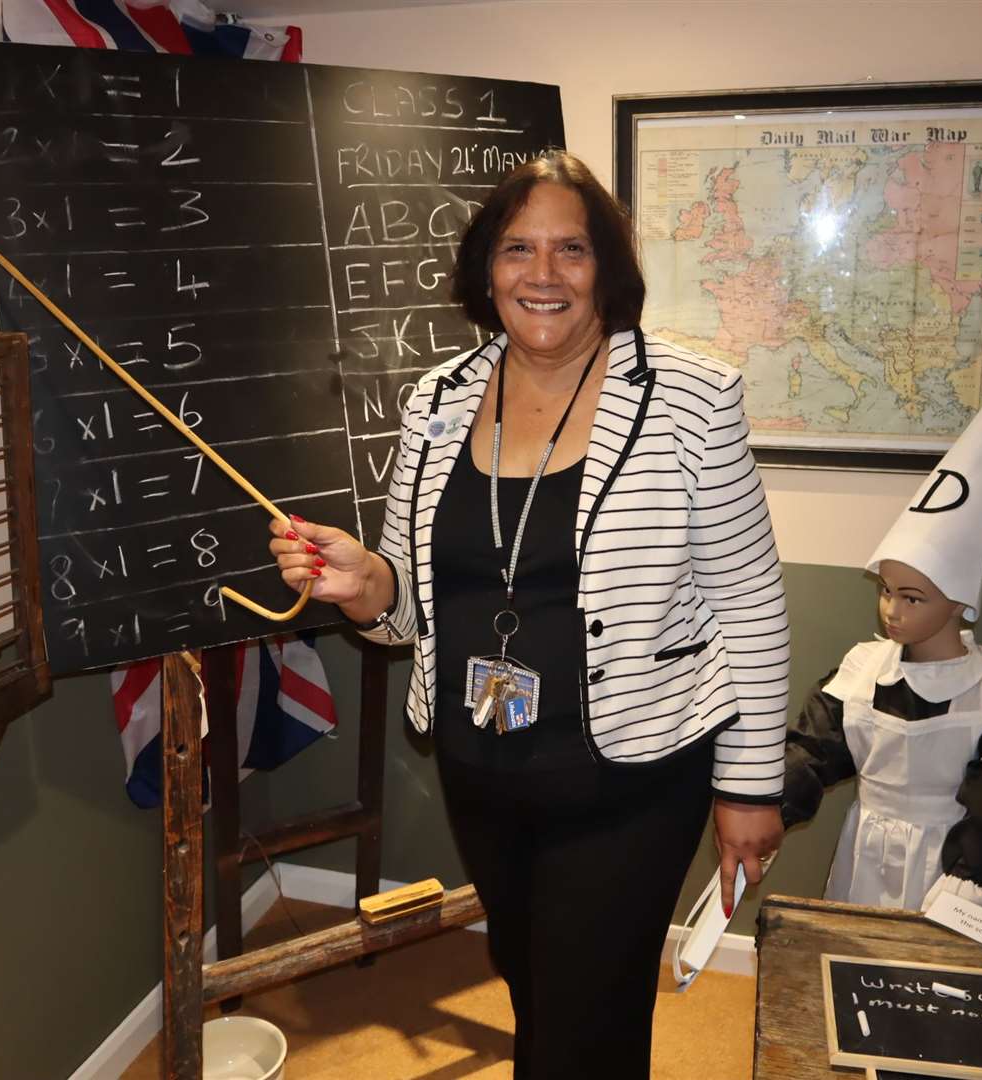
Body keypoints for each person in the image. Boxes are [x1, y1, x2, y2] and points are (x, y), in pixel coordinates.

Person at [268, 150, 790, 1078]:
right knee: (531, 983)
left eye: (571, 250)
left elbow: (751, 602)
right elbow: (406, 611)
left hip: (630, 773)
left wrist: (750, 786)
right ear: (486, 268)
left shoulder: (693, 400)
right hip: (486, 764)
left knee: (587, 1013)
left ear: (609, 269)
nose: (542, 275)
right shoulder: (435, 402)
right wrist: (363, 587)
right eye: (518, 249)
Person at [780, 382, 982, 918]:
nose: (891, 611)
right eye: (885, 591)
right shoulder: (858, 678)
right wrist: (764, 805)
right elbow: (810, 755)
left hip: (954, 869)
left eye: (912, 597)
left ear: (956, 603)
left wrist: (970, 874)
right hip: (868, 860)